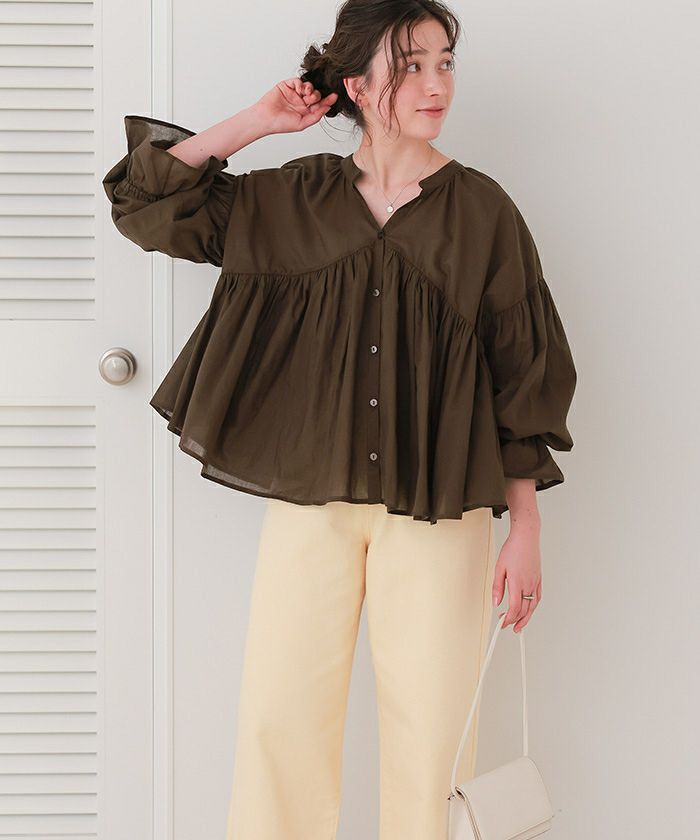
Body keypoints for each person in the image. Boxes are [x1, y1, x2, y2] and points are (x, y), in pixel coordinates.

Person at [102, 1, 577, 837]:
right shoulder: (291, 199)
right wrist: (257, 121)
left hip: (439, 508)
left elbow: (523, 378)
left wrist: (526, 528)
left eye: (444, 62)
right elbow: (145, 202)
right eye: (410, 65)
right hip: (310, 501)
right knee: (279, 720)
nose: (436, 84)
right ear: (357, 84)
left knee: (434, 737)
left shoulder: (483, 213)